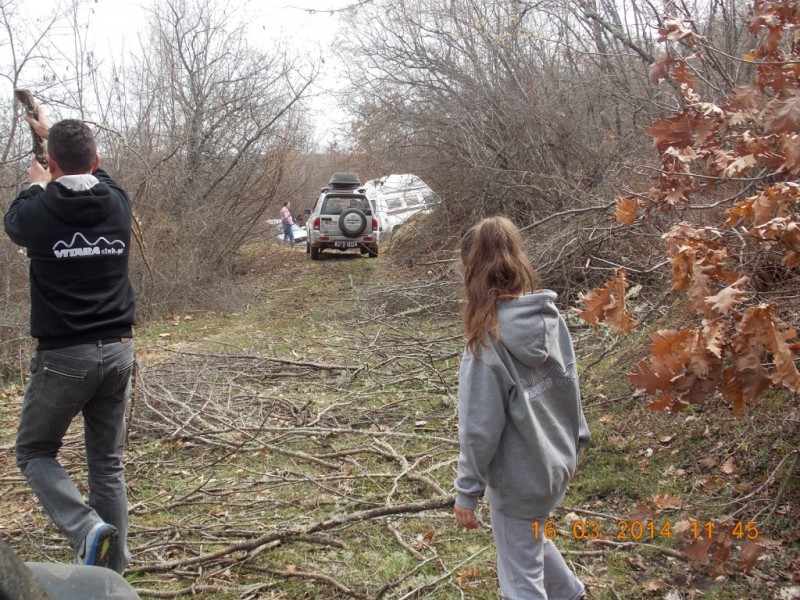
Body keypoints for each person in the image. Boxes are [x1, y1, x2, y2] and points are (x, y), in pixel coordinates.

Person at [4, 105, 136, 575]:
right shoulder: (118, 203)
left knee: (34, 451)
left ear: (52, 166)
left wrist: (37, 178)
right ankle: (111, 572)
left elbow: (16, 217)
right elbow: (101, 172)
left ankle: (86, 529)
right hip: (119, 351)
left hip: (64, 357)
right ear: (96, 160)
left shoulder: (36, 213)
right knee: (107, 462)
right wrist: (52, 136)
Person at [453, 217, 590, 600]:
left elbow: (479, 429)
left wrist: (467, 491)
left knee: (519, 575)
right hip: (556, 466)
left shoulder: (486, 345)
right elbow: (572, 384)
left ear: (471, 271)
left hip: (520, 480)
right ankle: (571, 594)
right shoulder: (551, 318)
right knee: (530, 538)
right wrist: (577, 442)